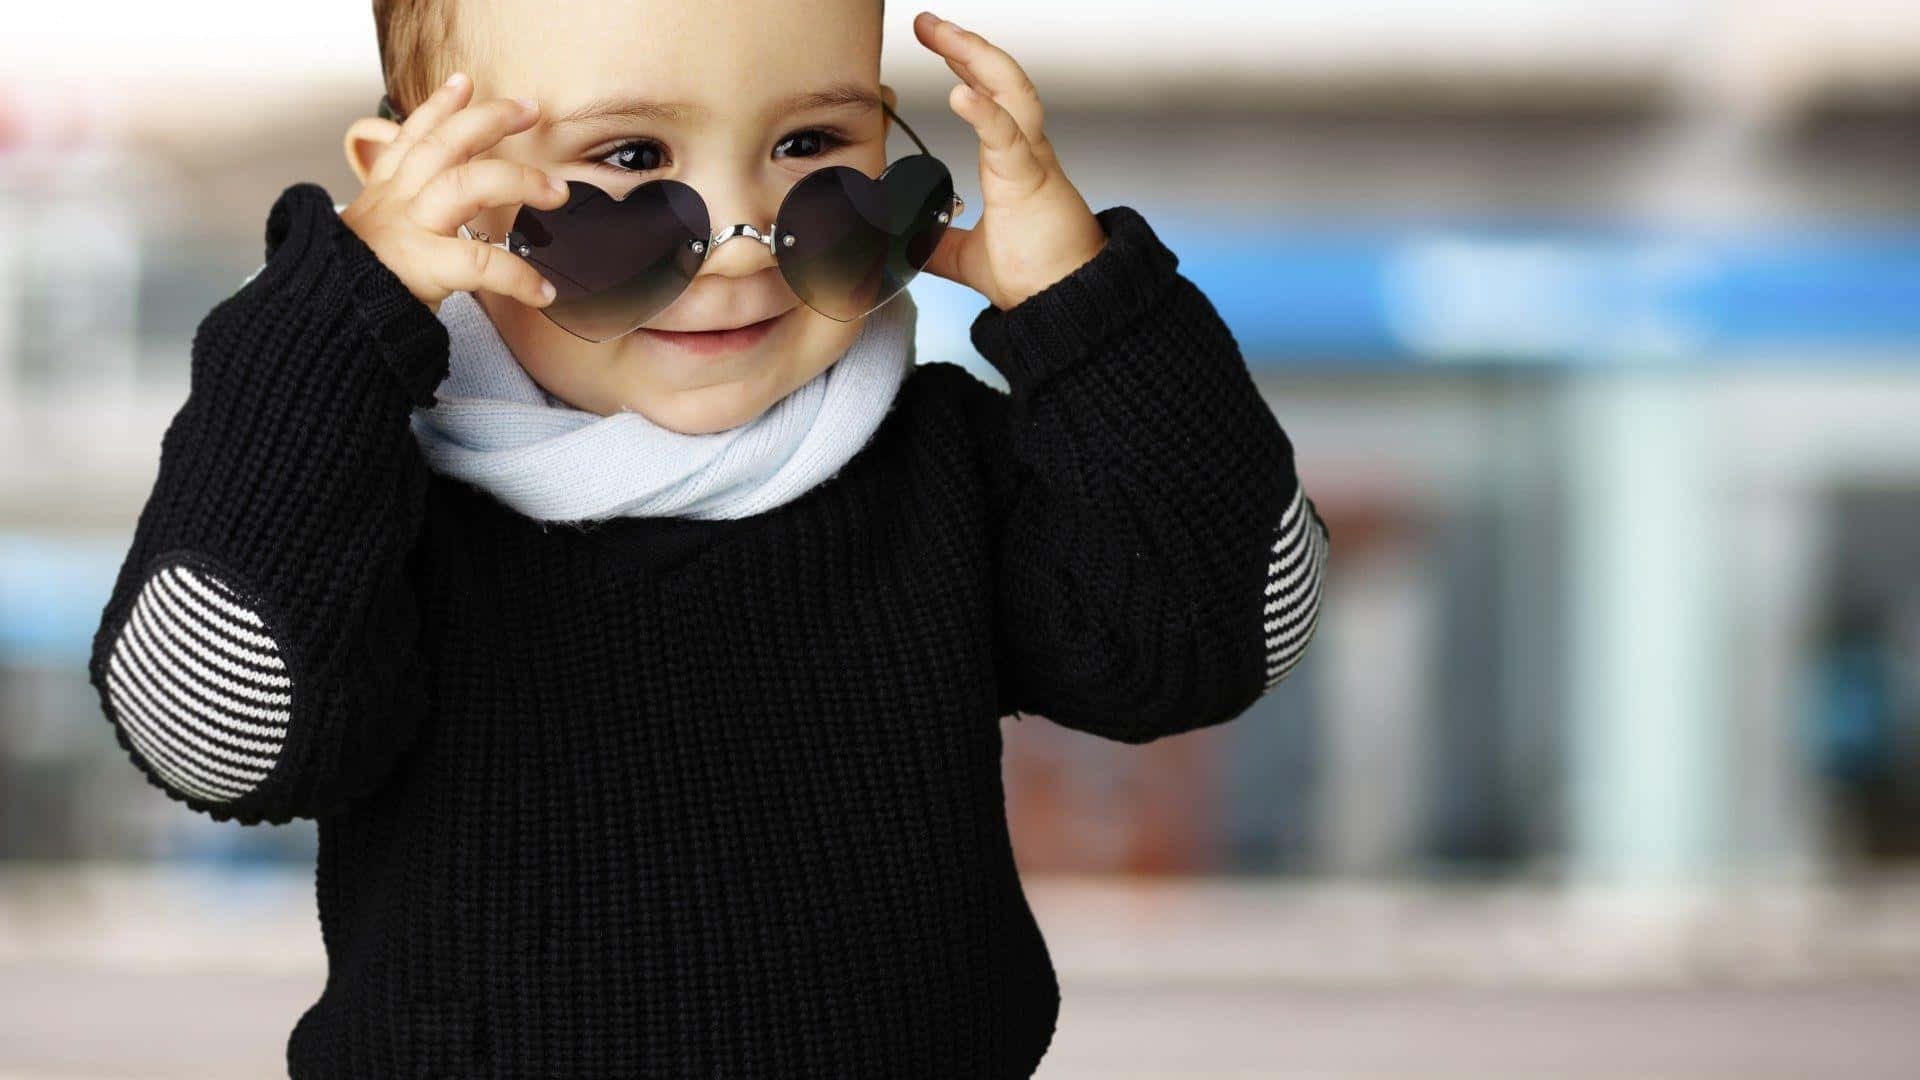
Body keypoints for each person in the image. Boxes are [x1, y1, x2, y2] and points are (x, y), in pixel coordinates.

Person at [85, 2, 1331, 1076]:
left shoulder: (937, 460)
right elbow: (216, 734)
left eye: (811, 145)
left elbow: (1228, 629)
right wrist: (332, 329)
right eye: (631, 159)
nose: (743, 243)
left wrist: (1091, 312)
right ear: (422, 187)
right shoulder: (368, 497)